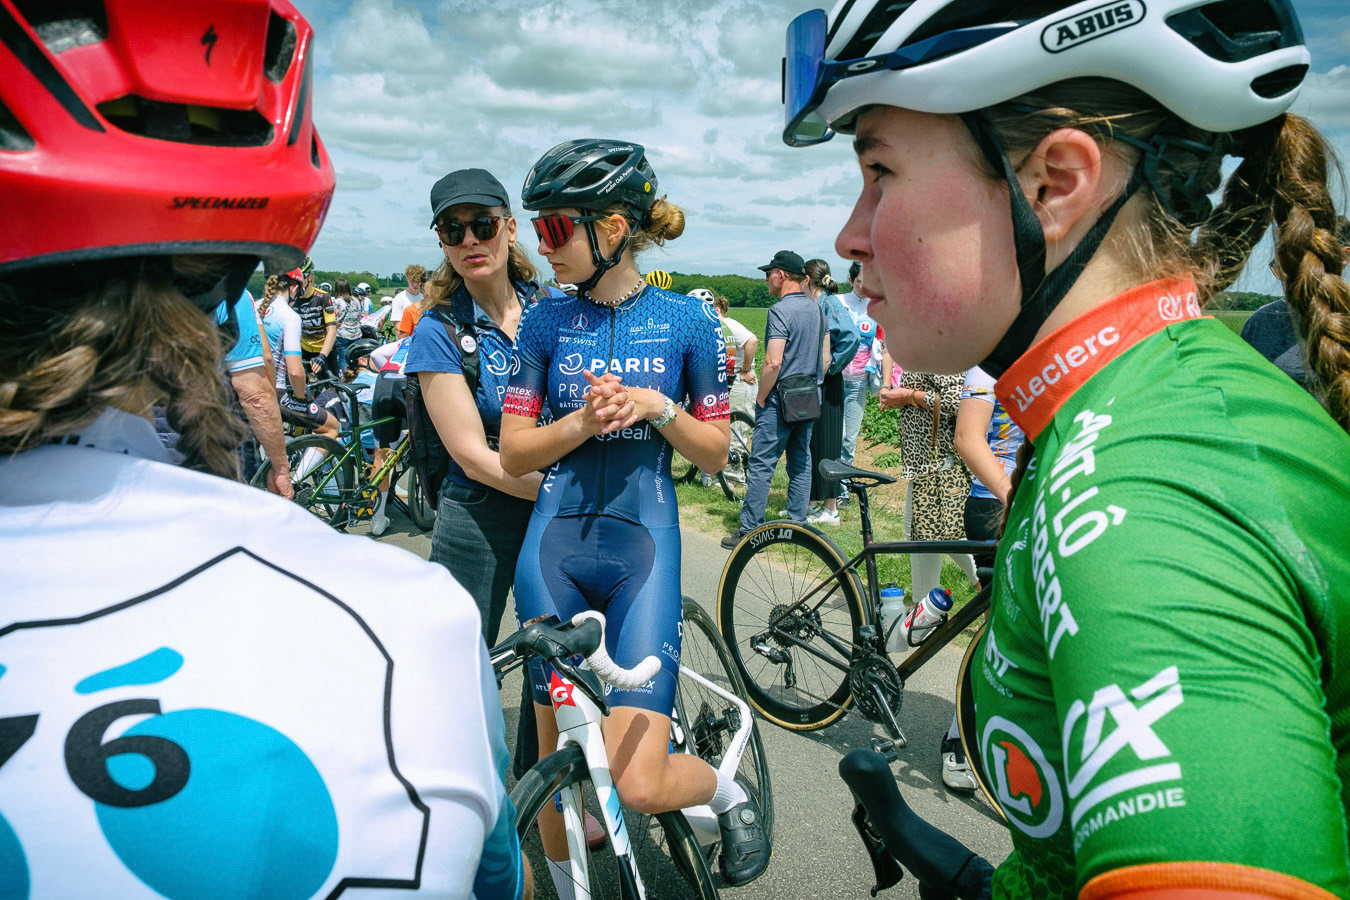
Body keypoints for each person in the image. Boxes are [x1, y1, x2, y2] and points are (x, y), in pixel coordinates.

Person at [788, 0, 1350, 895]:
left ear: (1054, 184)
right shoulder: (1118, 408)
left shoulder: (1146, 487)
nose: (849, 235)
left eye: (879, 172)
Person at [0, 2, 526, 897]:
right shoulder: (411, 624)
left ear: (507, 228)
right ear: (225, 284)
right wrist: (276, 466)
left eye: (483, 224)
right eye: (454, 228)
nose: (469, 240)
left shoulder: (538, 316)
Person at [500, 139, 769, 890]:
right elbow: (514, 453)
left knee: (639, 783)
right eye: (538, 228)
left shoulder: (689, 321)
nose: (541, 245)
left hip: (642, 552)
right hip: (552, 554)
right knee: (557, 762)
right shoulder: (545, 322)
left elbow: (715, 453)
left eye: (555, 228)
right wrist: (581, 423)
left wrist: (657, 407)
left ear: (612, 229)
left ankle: (726, 792)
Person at [723, 250, 827, 548]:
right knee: (800, 461)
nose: (766, 279)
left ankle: (749, 530)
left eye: (769, 274)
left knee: (761, 463)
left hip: (780, 398)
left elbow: (772, 362)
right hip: (809, 396)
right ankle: (797, 526)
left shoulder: (780, 311)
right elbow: (825, 358)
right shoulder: (817, 310)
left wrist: (762, 396)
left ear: (781, 275)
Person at [1240, 214, 1350, 393]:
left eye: (1305, 264)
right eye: (1282, 268)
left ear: (1344, 257)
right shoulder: (1261, 322)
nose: (1290, 280)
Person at [803, 258, 850, 526]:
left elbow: (851, 336)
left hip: (829, 382)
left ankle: (831, 508)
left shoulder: (830, 303)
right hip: (817, 380)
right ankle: (812, 502)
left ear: (808, 280)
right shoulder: (818, 303)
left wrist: (832, 365)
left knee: (829, 443)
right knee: (814, 442)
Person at [837, 261, 878, 482]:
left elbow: (881, 345)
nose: (864, 287)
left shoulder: (876, 308)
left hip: (858, 381)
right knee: (836, 434)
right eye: (860, 281)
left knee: (849, 438)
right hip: (834, 379)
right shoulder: (837, 302)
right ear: (851, 280)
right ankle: (828, 485)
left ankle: (843, 487)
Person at [292, 257, 338, 378]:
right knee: (305, 385)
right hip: (304, 350)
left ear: (310, 277)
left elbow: (332, 329)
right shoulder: (292, 299)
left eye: (300, 278)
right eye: (293, 280)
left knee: (332, 385)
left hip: (326, 350)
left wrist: (322, 356)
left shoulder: (323, 297)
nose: (297, 283)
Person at [332, 278, 363, 375]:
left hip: (343, 334)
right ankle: (357, 377)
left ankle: (348, 378)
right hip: (356, 333)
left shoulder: (337, 301)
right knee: (356, 359)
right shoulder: (356, 301)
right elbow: (359, 315)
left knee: (343, 359)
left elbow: (335, 319)